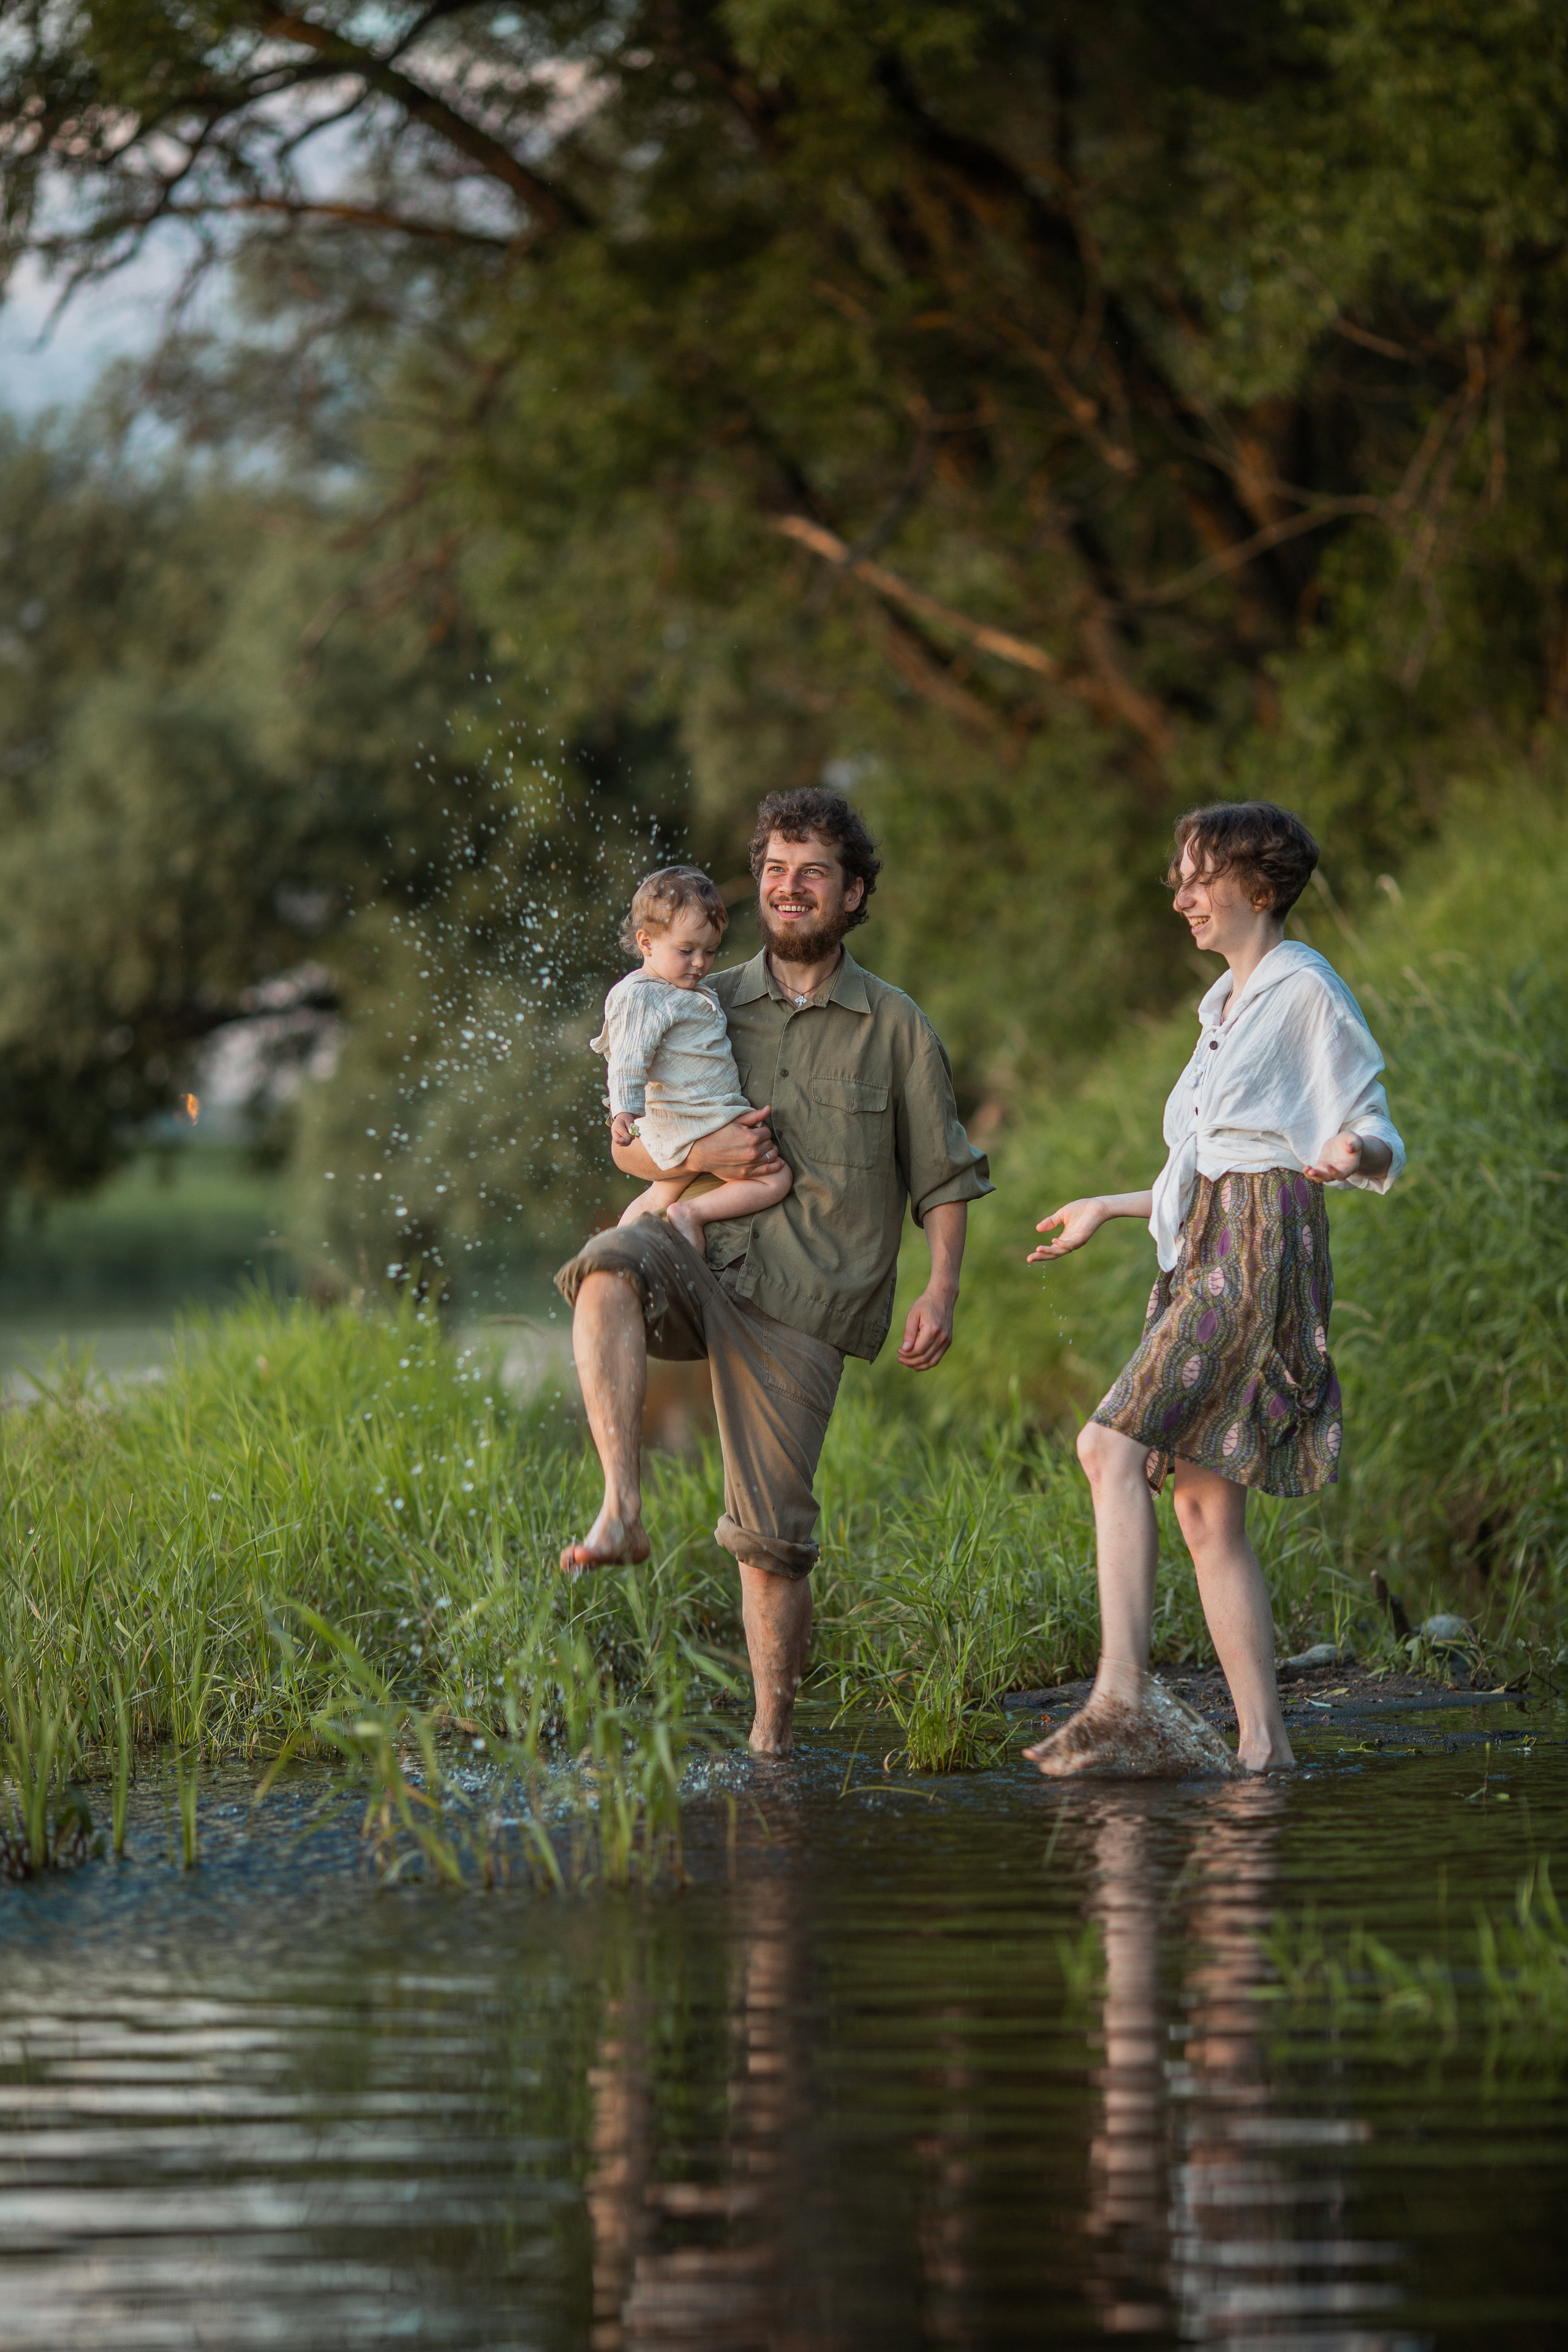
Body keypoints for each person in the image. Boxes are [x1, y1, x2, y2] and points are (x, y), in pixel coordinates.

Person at [555, 786, 993, 1755]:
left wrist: (941, 1287)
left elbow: (946, 1176)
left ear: (853, 894)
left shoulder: (896, 1026)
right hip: (701, 1240)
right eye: (773, 870)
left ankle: (771, 1752)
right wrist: (708, 1160)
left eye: (812, 873)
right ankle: (622, 1505)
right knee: (603, 1270)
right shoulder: (695, 995)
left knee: (770, 1539)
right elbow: (633, 1150)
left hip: (809, 1294)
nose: (787, 889)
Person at [1025, 801, 1404, 1777]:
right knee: (1203, 1510)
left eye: (1201, 878)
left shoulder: (1303, 986)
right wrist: (1109, 1209)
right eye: (1180, 880)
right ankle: (1263, 1751)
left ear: (1259, 887)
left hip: (1259, 1245)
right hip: (1208, 1238)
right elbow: (1210, 1157)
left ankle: (1121, 1695)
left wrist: (1353, 1147)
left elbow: (1368, 1112)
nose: (1183, 897)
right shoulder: (1222, 1007)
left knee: (1107, 1444)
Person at [593, 864, 793, 1254]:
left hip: (697, 1117)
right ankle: (693, 1215)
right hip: (694, 1118)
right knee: (776, 1177)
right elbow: (627, 1061)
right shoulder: (641, 995)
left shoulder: (685, 989)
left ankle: (611, 1256)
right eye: (686, 951)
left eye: (710, 951)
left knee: (657, 1197)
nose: (700, 963)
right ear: (646, 943)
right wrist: (624, 1111)